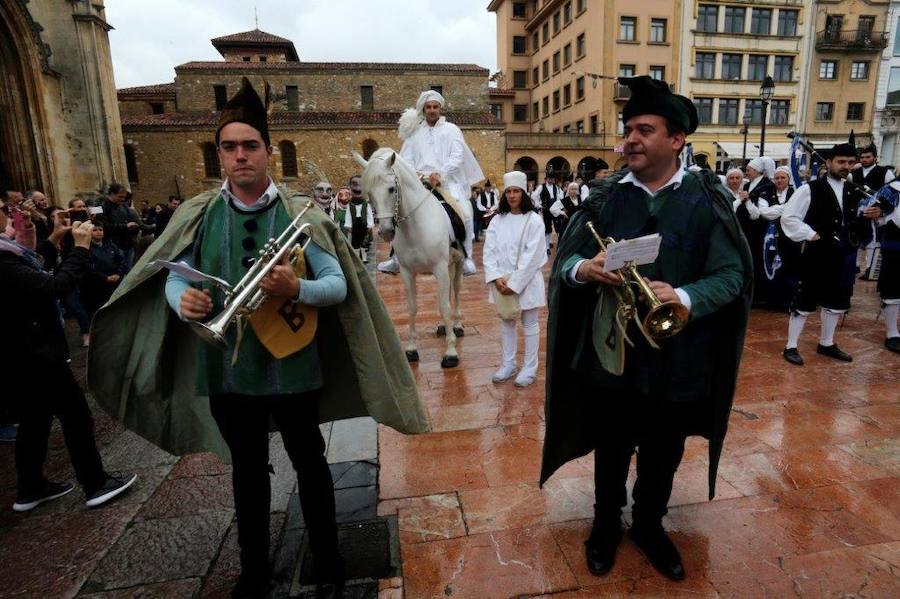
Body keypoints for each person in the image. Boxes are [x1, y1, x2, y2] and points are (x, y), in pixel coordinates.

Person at [87, 78, 428, 599]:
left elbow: (337, 286)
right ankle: (253, 568)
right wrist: (184, 301)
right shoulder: (197, 215)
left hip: (293, 362)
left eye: (251, 146)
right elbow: (176, 276)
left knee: (311, 464)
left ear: (268, 151)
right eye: (230, 147)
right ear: (219, 155)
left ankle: (330, 559)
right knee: (247, 473)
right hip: (226, 366)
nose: (241, 156)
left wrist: (298, 287)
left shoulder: (301, 214)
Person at [542, 76, 751, 583]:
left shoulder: (706, 197)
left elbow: (732, 275)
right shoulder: (604, 196)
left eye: (644, 130)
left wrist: (681, 297)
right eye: (628, 129)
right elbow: (565, 261)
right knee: (611, 445)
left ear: (676, 140)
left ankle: (650, 525)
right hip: (612, 352)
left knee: (664, 449)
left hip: (679, 353)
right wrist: (582, 269)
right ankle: (606, 525)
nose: (630, 139)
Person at [0, 197, 136, 512]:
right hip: (36, 354)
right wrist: (80, 248)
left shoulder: (9, 257)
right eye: (6, 214)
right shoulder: (3, 261)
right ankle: (96, 483)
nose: (13, 218)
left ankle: (30, 487)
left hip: (22, 353)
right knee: (76, 416)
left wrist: (54, 239)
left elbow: (29, 276)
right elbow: (53, 287)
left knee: (35, 419)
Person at [378, 90, 484, 275]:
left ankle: (466, 258)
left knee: (466, 212)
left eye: (435, 107)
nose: (432, 110)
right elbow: (406, 158)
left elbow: (457, 156)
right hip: (419, 182)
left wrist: (441, 174)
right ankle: (395, 257)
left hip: (447, 182)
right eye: (429, 107)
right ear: (424, 109)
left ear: (440, 108)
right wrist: (416, 174)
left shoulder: (452, 129)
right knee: (399, 210)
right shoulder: (415, 132)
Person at [781, 139, 863, 365]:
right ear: (829, 163)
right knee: (804, 299)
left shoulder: (853, 190)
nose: (845, 166)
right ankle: (791, 346)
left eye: (850, 162)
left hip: (844, 254)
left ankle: (826, 343)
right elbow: (788, 217)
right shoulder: (811, 189)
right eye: (840, 162)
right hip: (817, 254)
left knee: (836, 300)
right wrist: (810, 234)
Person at [483, 171, 547, 387]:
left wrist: (515, 282)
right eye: (509, 191)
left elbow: (533, 255)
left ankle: (530, 368)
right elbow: (489, 251)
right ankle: (508, 364)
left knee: (530, 324)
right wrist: (496, 277)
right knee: (507, 322)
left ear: (523, 193)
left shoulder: (534, 220)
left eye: (516, 191)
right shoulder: (497, 221)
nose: (512, 195)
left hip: (527, 281)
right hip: (501, 282)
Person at [863, 180, 900, 353]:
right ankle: (892, 334)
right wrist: (882, 212)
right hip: (895, 245)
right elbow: (870, 210)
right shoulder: (893, 188)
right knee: (892, 289)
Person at [756, 166, 799, 308]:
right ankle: (772, 299)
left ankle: (788, 299)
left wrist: (775, 209)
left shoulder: (795, 192)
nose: (779, 180)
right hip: (770, 236)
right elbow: (764, 213)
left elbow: (797, 211)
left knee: (789, 265)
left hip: (790, 236)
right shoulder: (766, 191)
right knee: (770, 264)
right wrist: (786, 207)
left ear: (788, 179)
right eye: (777, 178)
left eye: (783, 177)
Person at [853, 144, 895, 280]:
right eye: (862, 157)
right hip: (857, 212)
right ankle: (856, 265)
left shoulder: (885, 172)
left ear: (875, 157)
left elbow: (892, 193)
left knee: (873, 242)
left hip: (876, 212)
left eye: (868, 157)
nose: (864, 159)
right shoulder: (854, 173)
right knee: (857, 239)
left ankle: (870, 269)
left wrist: (882, 210)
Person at [80, 221, 126, 319]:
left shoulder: (111, 245)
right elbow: (88, 269)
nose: (98, 232)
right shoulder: (86, 249)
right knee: (98, 313)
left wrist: (119, 273)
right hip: (96, 287)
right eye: (95, 230)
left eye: (100, 229)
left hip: (114, 283)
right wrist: (105, 278)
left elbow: (122, 260)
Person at [101, 183, 140, 270]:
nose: (122, 199)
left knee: (129, 269)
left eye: (124, 197)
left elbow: (131, 219)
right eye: (120, 197)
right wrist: (125, 226)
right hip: (114, 244)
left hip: (128, 243)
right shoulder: (102, 207)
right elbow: (104, 226)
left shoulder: (123, 205)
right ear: (111, 194)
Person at [343, 175, 374, 263]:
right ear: (350, 187)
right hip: (354, 224)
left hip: (363, 224)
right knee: (355, 241)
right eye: (354, 184)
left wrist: (370, 224)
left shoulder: (366, 204)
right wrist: (348, 225)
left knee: (364, 241)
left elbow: (369, 215)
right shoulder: (350, 204)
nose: (358, 187)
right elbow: (348, 215)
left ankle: (364, 258)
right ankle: (357, 258)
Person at [531, 174, 564, 254]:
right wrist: (539, 205)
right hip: (546, 210)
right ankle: (547, 247)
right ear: (546, 179)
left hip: (555, 210)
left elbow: (560, 198)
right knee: (548, 229)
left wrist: (559, 208)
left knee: (558, 228)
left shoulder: (556, 187)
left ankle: (559, 245)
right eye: (549, 179)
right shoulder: (541, 187)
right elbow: (534, 196)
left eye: (552, 179)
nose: (551, 180)